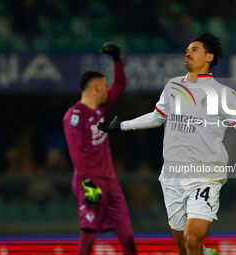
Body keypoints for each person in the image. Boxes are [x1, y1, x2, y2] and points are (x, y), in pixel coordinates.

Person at [97, 33, 236, 255]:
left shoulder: (224, 94)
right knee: (182, 246)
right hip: (172, 175)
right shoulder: (173, 85)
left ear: (209, 57)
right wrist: (122, 125)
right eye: (187, 49)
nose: (188, 53)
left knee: (192, 237)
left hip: (206, 174)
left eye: (194, 49)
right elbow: (157, 117)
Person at [63, 43, 137, 255]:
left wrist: (116, 59)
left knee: (127, 237)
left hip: (111, 182)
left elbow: (121, 84)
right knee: (88, 236)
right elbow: (75, 152)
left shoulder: (100, 109)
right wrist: (87, 182)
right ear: (97, 88)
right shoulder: (74, 115)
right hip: (89, 181)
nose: (109, 90)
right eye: (105, 86)